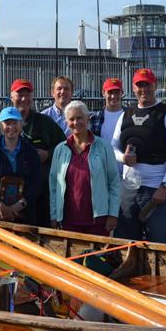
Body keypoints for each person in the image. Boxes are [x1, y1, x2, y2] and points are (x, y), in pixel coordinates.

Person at [112, 68, 166, 243]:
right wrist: (123, 158)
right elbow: (113, 146)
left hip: (156, 190)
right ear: (134, 88)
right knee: (126, 242)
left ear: (155, 85)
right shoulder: (125, 114)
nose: (144, 89)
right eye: (140, 85)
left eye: (147, 84)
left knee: (158, 243)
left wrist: (164, 185)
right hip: (129, 189)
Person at [0, 79, 66, 226]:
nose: (24, 99)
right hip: (6, 197)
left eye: (27, 95)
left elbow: (64, 146)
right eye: (19, 95)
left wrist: (47, 154)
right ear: (11, 97)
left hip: (39, 192)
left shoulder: (45, 122)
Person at [49, 101, 120, 236]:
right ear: (66, 122)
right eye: (71, 119)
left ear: (88, 119)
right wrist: (54, 215)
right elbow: (53, 185)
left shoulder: (104, 147)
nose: (76, 122)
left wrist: (113, 214)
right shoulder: (60, 149)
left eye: (80, 117)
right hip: (68, 220)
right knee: (72, 257)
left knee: (98, 257)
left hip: (98, 220)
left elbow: (114, 183)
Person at [0, 107, 42, 224]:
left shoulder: (31, 152)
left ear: (21, 125)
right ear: (0, 126)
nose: (11, 127)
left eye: (15, 123)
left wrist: (19, 205)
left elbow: (36, 183)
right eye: (7, 123)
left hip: (25, 215)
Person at [89, 77, 125, 143]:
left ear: (122, 93)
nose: (113, 96)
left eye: (117, 92)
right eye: (110, 92)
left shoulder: (130, 116)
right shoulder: (95, 118)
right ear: (103, 93)